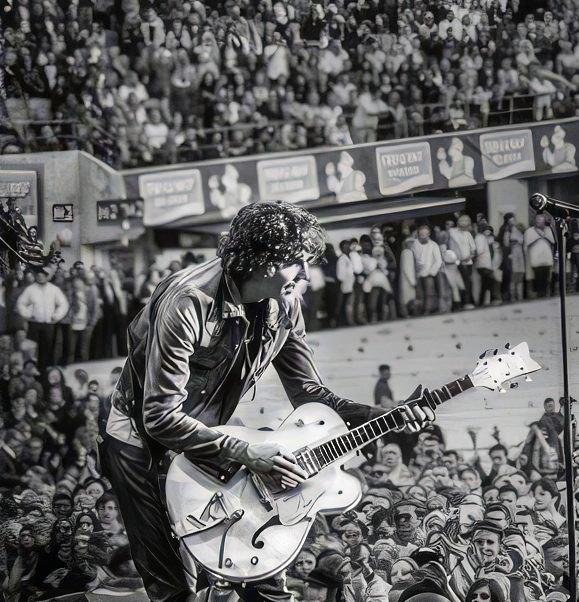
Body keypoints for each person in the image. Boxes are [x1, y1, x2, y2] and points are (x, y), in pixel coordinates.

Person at [96, 201, 435, 602]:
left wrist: (385, 415)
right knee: (176, 587)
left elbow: (310, 395)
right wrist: (244, 451)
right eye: (300, 263)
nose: (307, 274)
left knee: (258, 571)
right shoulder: (188, 303)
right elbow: (160, 417)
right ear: (266, 263)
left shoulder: (286, 305)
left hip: (212, 436)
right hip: (140, 441)